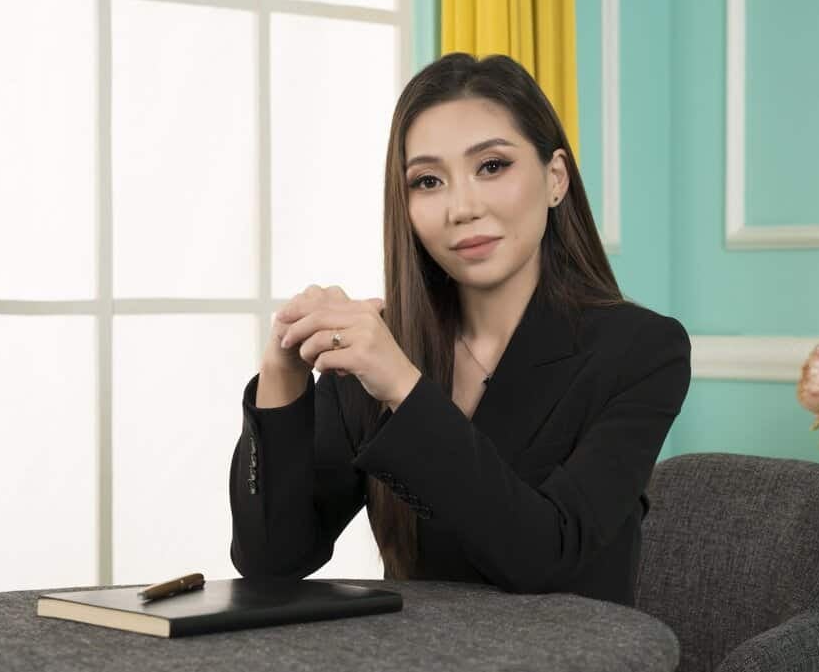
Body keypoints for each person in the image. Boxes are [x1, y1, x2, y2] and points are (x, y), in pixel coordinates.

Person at [229, 52, 691, 606]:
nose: (461, 207)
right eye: (428, 181)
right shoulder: (380, 350)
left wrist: (404, 387)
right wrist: (281, 377)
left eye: (492, 166)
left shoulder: (641, 350)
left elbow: (545, 555)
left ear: (555, 179)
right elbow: (272, 562)